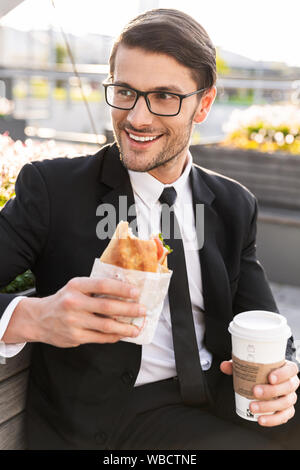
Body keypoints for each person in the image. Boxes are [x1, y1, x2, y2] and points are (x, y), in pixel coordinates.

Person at [0, 8, 299, 450]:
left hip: (221, 398)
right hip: (112, 421)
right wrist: (31, 318)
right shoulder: (51, 189)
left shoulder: (234, 204)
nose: (137, 118)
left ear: (205, 104)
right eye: (125, 91)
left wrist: (284, 375)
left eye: (164, 96)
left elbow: (263, 321)